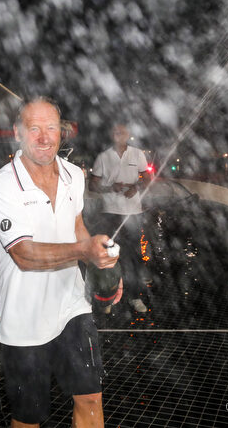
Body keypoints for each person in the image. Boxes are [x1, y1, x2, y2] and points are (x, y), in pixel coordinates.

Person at [0, 97, 117, 428]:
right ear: (17, 133)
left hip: (72, 305)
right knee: (29, 418)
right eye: (34, 129)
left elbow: (76, 229)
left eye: (52, 128)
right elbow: (24, 255)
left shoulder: (74, 174)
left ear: (63, 131)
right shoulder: (3, 184)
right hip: (23, 317)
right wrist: (83, 251)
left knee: (90, 397)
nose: (45, 138)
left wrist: (100, 262)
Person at [88, 122, 151, 314]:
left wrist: (136, 187)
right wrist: (110, 188)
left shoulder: (138, 153)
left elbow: (146, 178)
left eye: (122, 131)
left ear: (128, 134)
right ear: (111, 134)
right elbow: (93, 185)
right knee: (109, 256)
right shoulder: (103, 156)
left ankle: (135, 297)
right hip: (111, 213)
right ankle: (107, 296)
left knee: (134, 258)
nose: (119, 134)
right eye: (115, 131)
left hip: (133, 213)